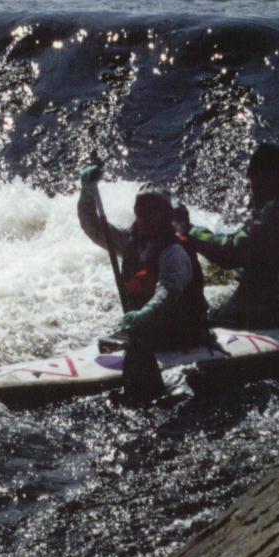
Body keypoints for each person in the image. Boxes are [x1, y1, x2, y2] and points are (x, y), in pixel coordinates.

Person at [77, 165, 207, 399]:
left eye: (152, 211)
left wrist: (146, 313)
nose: (145, 216)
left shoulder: (174, 252)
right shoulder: (130, 241)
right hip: (149, 330)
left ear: (165, 216)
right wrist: (86, 193)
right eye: (141, 209)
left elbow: (168, 290)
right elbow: (93, 227)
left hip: (181, 332)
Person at [186, 142, 279, 329]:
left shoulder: (271, 212)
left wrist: (189, 231)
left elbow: (231, 253)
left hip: (257, 314)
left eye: (252, 176)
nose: (250, 184)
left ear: (259, 175)